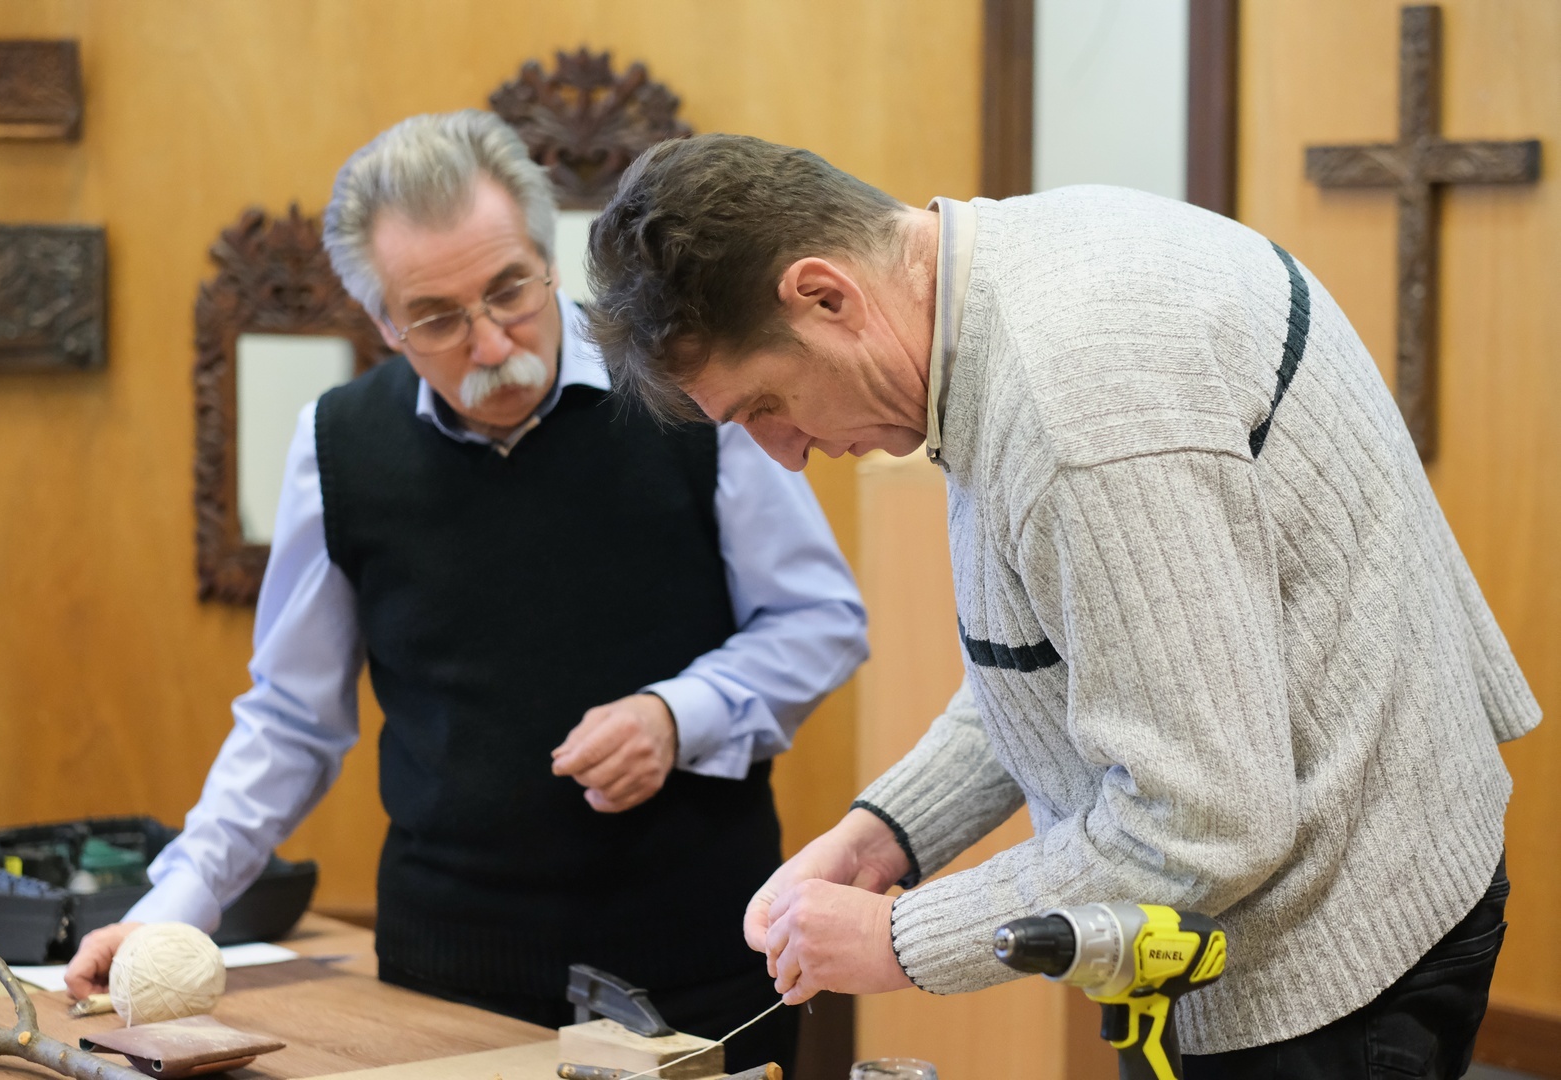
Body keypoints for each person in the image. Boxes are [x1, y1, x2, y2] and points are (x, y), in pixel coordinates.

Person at [582, 133, 1539, 1078]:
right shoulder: (1005, 284)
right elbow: (1074, 656)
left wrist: (902, 940)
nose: (785, 455)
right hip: (1269, 903)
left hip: (1331, 952)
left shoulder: (1074, 402)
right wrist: (885, 837)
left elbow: (1204, 822)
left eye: (763, 406)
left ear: (826, 296)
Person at [65, 114, 868, 1074]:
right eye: (438, 319)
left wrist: (677, 715)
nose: (490, 343)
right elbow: (290, 719)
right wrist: (173, 908)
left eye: (510, 291)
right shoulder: (339, 445)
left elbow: (821, 619)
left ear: (548, 257)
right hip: (441, 980)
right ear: (383, 324)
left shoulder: (685, 385)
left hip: (695, 968)